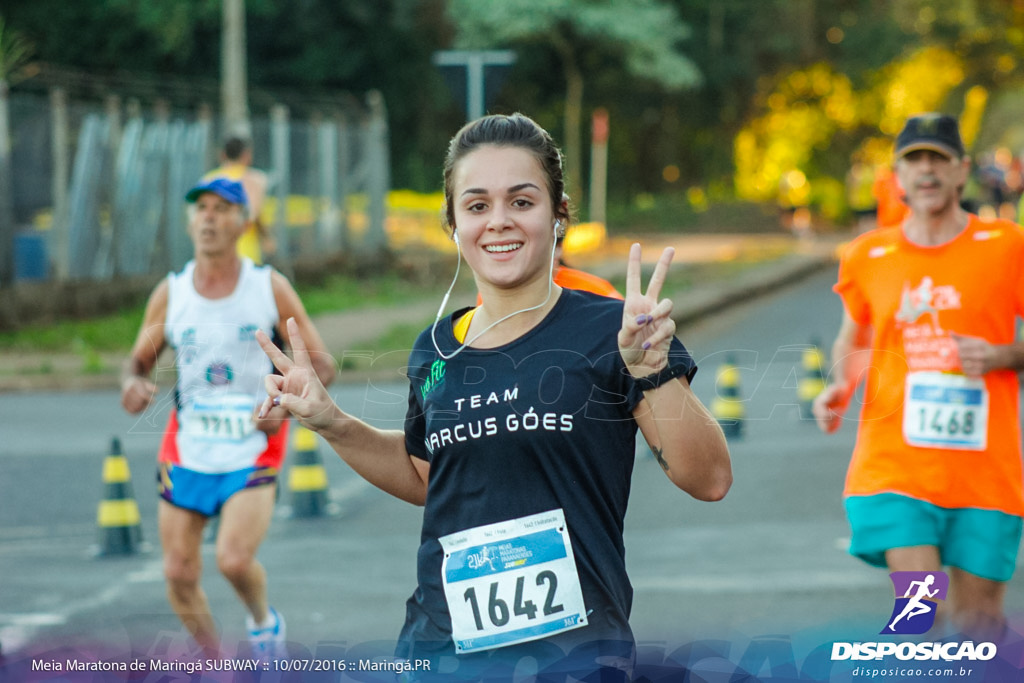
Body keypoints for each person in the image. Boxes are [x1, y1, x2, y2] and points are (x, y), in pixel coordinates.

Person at [255, 113, 732, 679]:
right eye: (477, 205)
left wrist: (652, 371)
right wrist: (332, 422)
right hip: (440, 651)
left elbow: (709, 479)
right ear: (453, 223)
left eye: (522, 202)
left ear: (558, 215)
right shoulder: (434, 349)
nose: (498, 222)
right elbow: (429, 479)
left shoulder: (617, 332)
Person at [813, 113, 1024, 641]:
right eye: (914, 160)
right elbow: (855, 338)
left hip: (984, 472)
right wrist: (839, 383)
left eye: (938, 159)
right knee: (919, 614)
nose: (926, 171)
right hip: (895, 468)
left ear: (962, 172)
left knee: (980, 630)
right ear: (897, 176)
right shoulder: (867, 255)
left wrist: (1003, 355)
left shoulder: (1007, 246)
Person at [120, 176, 335, 659]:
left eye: (222, 208)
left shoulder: (267, 286)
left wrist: (281, 404)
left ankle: (263, 623)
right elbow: (137, 362)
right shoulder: (171, 293)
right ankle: (214, 662)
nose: (209, 217)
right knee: (177, 571)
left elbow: (320, 363)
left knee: (234, 561)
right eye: (201, 209)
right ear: (190, 220)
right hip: (189, 444)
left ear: (242, 223)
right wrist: (132, 383)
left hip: (255, 439)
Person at [204, 136, 273, 264]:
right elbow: (254, 214)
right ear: (246, 155)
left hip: (214, 250)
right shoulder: (255, 180)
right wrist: (266, 238)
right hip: (245, 248)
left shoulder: (208, 180)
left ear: (222, 155)